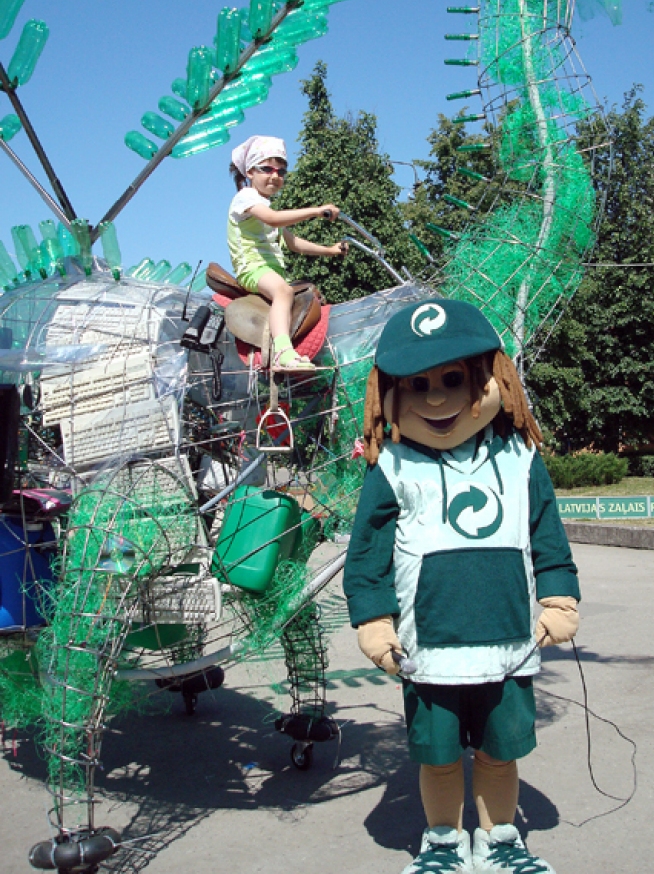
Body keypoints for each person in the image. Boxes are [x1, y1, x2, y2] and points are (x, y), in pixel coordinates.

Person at [343, 298, 580, 874]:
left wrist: (559, 596)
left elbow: (547, 534)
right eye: (417, 384)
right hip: (428, 651)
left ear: (495, 379)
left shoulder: (521, 457)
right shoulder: (393, 465)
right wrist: (374, 619)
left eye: (454, 379)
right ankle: (443, 842)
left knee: (500, 754)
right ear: (389, 394)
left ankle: (501, 839)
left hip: (509, 644)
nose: (437, 398)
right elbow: (367, 552)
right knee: (440, 758)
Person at [228, 134, 348, 370]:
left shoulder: (266, 206)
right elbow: (273, 220)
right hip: (251, 268)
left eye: (281, 172)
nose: (275, 176)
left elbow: (294, 243)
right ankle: (283, 352)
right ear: (250, 172)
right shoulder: (246, 198)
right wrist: (316, 211)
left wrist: (330, 250)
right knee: (284, 291)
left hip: (270, 270)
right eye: (267, 169)